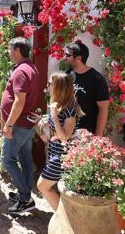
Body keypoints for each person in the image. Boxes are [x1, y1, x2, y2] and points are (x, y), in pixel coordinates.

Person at [0, 37, 42, 215]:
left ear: (17, 50)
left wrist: (8, 125)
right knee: (25, 160)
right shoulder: (31, 67)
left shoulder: (20, 71)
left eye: (10, 50)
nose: (9, 53)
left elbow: (19, 101)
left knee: (7, 159)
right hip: (26, 124)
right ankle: (24, 194)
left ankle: (25, 198)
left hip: (18, 124)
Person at [35, 73, 82, 210]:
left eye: (50, 84)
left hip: (62, 157)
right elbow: (51, 136)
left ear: (58, 87)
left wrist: (54, 115)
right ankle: (63, 218)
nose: (47, 87)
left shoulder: (69, 111)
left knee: (42, 186)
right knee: (53, 188)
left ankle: (62, 218)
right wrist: (39, 123)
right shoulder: (57, 106)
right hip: (54, 153)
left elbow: (64, 137)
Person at [64, 41, 109, 135]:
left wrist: (98, 136)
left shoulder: (96, 79)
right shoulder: (68, 74)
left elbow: (103, 109)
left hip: (86, 135)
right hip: (67, 132)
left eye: (68, 55)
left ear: (78, 58)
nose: (64, 58)